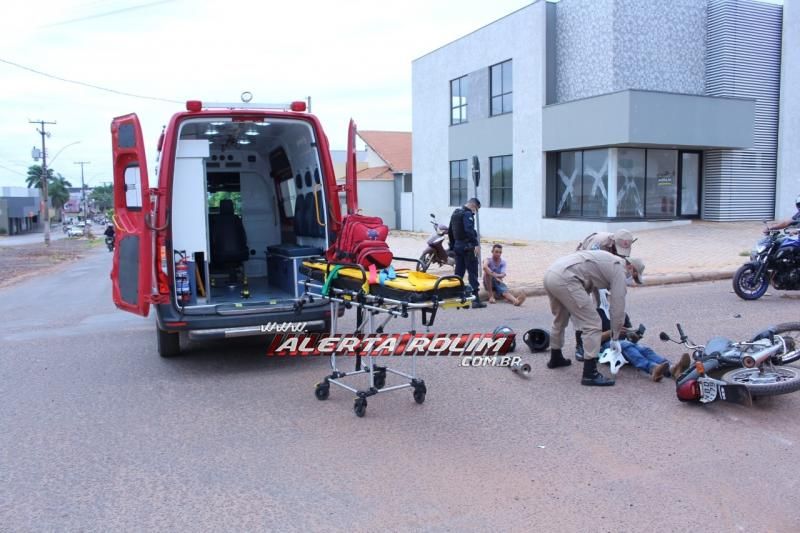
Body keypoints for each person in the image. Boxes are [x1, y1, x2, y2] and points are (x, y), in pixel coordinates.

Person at [542, 250, 644, 387]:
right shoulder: (619, 270)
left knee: (560, 318)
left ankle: (556, 357)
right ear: (630, 266)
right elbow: (618, 306)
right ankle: (590, 374)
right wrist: (615, 336)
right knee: (593, 323)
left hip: (551, 274)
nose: (632, 278)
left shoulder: (608, 261)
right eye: (635, 274)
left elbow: (594, 289)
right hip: (567, 279)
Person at [593, 290, 691, 382]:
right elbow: (593, 339)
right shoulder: (597, 314)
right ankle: (652, 369)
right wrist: (612, 332)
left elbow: (631, 338)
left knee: (644, 349)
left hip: (625, 345)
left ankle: (672, 368)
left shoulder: (623, 314)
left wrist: (635, 336)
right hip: (606, 347)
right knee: (625, 345)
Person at [574, 229, 636, 359]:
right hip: (583, 270)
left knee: (605, 306)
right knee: (582, 307)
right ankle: (580, 345)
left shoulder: (619, 246)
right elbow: (590, 266)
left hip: (603, 270)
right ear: (613, 242)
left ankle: (616, 335)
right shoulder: (598, 244)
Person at [449, 197, 486, 308]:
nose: (475, 212)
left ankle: (456, 298)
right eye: (476, 210)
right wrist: (475, 244)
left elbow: (450, 231)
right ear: (473, 206)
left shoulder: (456, 213)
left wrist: (452, 246)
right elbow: (469, 230)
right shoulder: (467, 214)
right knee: (472, 273)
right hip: (468, 248)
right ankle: (475, 300)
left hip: (458, 247)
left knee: (458, 273)